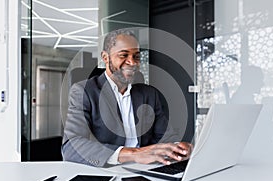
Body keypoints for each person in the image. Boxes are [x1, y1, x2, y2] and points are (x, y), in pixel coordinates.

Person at [62, 29, 192, 167]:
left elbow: (166, 137)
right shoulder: (84, 92)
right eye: (123, 55)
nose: (132, 62)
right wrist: (134, 154)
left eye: (136, 56)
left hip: (146, 169)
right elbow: (71, 147)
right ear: (105, 57)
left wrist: (179, 148)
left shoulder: (149, 94)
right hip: (106, 169)